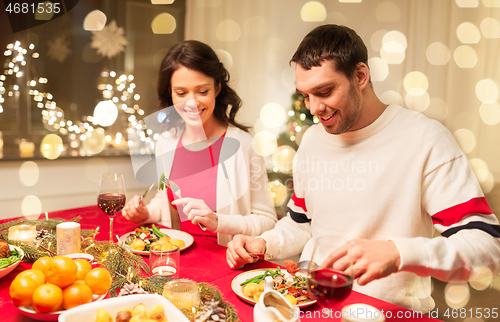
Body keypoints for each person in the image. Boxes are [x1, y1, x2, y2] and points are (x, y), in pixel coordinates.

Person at [226, 24, 500, 310]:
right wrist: (264, 243)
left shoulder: (425, 139)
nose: (314, 108)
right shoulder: (312, 141)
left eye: (325, 91)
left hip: (388, 312)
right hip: (310, 304)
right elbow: (302, 224)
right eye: (306, 95)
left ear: (360, 76)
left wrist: (398, 252)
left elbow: (488, 246)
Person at [122, 40, 277, 246]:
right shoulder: (166, 143)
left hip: (226, 263)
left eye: (202, 91)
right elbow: (165, 201)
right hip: (177, 260)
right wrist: (144, 214)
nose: (192, 103)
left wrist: (218, 222)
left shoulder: (243, 145)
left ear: (217, 88)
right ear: (170, 92)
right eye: (181, 93)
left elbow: (267, 221)